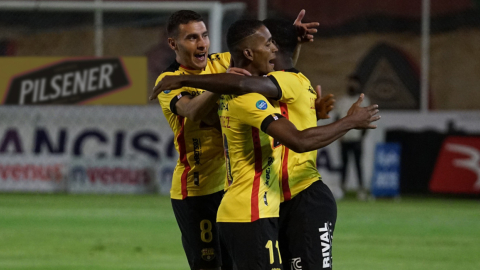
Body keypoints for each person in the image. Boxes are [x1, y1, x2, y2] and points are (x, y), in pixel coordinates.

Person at [152, 19, 380, 269]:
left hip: (253, 200)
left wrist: (306, 107)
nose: (202, 43)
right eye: (192, 37)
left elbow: (266, 65)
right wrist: (348, 122)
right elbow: (203, 108)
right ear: (174, 43)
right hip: (214, 194)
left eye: (204, 35)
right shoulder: (236, 94)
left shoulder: (223, 67)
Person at [335, 74, 371, 200]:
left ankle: (361, 189)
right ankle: (342, 189)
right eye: (350, 82)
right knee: (343, 165)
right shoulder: (342, 101)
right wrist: (338, 135)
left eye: (354, 83)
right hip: (344, 139)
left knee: (358, 165)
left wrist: (361, 137)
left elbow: (367, 121)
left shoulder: (363, 101)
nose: (352, 86)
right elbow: (337, 119)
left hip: (356, 140)